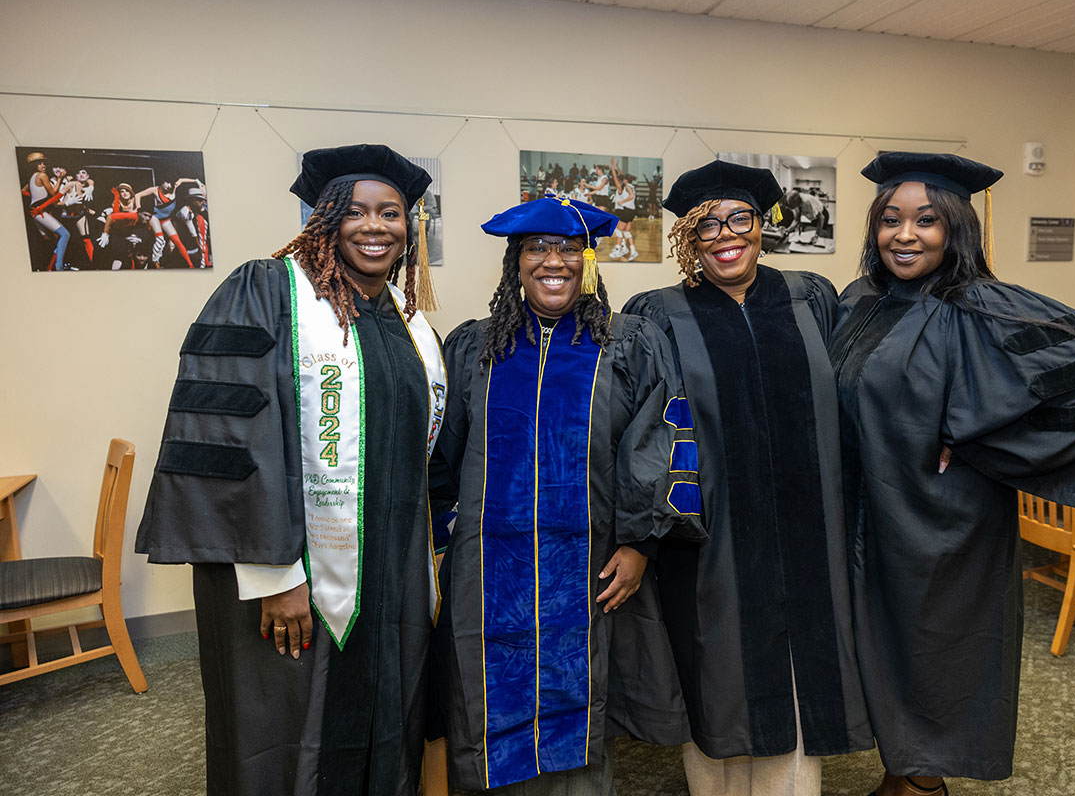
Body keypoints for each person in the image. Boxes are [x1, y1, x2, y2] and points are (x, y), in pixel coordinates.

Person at [135, 144, 446, 795]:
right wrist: (273, 574)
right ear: (323, 217)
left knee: (387, 721)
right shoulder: (266, 291)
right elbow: (227, 435)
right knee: (286, 729)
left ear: (408, 227)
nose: (374, 226)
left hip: (390, 579)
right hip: (289, 577)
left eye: (390, 213)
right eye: (355, 210)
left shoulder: (409, 321)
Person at [831, 152, 1075, 796]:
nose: (905, 234)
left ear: (955, 229)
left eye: (926, 220)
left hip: (945, 519)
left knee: (934, 645)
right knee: (877, 637)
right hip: (870, 505)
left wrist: (982, 441)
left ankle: (921, 782)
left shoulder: (977, 304)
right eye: (891, 220)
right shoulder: (861, 300)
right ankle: (901, 768)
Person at [429, 195, 702, 794]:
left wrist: (639, 546)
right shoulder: (476, 347)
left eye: (567, 249)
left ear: (588, 261)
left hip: (587, 568)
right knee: (482, 702)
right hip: (485, 572)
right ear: (515, 263)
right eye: (536, 249)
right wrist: (438, 538)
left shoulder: (628, 343)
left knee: (577, 706)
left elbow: (659, 443)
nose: (553, 261)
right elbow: (442, 458)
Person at [622, 160, 872, 796]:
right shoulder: (657, 314)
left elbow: (862, 392)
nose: (726, 234)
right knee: (715, 670)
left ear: (763, 226)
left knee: (796, 672)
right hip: (710, 538)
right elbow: (639, 428)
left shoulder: (810, 297)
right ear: (688, 237)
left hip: (809, 530)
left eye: (740, 219)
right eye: (707, 224)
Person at [22, 152, 74, 270]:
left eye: (44, 163)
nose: (43, 165)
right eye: (39, 163)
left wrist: (34, 197)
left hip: (35, 211)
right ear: (34, 166)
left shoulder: (32, 177)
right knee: (65, 234)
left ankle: (50, 267)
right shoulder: (42, 176)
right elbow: (53, 193)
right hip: (39, 212)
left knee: (53, 238)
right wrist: (60, 179)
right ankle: (58, 267)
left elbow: (22, 191)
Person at [608, 157, 638, 261]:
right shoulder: (631, 185)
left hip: (624, 210)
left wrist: (612, 166)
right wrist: (617, 167)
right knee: (626, 232)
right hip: (631, 211)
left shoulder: (622, 188)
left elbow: (616, 178)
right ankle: (632, 251)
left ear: (624, 181)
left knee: (618, 230)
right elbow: (622, 177)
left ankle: (618, 249)